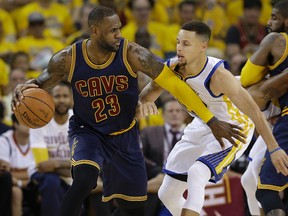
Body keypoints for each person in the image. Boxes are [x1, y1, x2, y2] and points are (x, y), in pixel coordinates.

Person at [12, 6, 247, 216]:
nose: (119, 34)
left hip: (125, 134)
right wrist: (22, 89)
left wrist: (211, 120)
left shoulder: (133, 53)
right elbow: (39, 84)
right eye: (113, 30)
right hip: (88, 131)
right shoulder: (68, 58)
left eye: (119, 29)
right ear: (95, 31)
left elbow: (174, 84)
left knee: (133, 210)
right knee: (85, 179)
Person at [138, 21, 288, 216]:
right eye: (177, 42)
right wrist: (143, 101)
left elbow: (254, 112)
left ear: (203, 47)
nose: (179, 48)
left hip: (232, 127)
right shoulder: (174, 67)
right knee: (167, 194)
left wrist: (274, 147)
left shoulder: (218, 76)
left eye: (185, 44)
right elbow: (150, 91)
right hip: (201, 124)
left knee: (197, 173)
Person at [240, 1, 288, 215]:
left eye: (275, 17)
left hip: (283, 118)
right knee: (249, 178)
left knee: (266, 191)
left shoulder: (277, 40)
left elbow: (246, 78)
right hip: (276, 115)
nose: (268, 22)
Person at [28, 81, 73, 216]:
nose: (61, 100)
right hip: (40, 175)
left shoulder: (78, 120)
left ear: (71, 98)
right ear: (49, 98)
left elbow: (83, 163)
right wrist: (71, 168)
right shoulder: (38, 120)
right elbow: (43, 166)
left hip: (69, 175)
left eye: (65, 96)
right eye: (57, 96)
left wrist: (56, 163)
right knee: (52, 182)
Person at [140, 98, 187, 216]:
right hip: (156, 176)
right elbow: (139, 156)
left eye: (178, 111)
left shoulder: (193, 133)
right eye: (170, 111)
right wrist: (159, 171)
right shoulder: (149, 132)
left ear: (184, 114)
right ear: (163, 115)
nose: (174, 114)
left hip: (185, 178)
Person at [0, 114, 36, 216]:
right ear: (16, 124)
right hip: (10, 186)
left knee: (48, 184)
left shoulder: (37, 140)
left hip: (32, 185)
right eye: (27, 121)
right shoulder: (4, 140)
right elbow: (5, 174)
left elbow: (39, 171)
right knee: (16, 192)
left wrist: (16, 173)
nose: (31, 124)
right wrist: (24, 178)